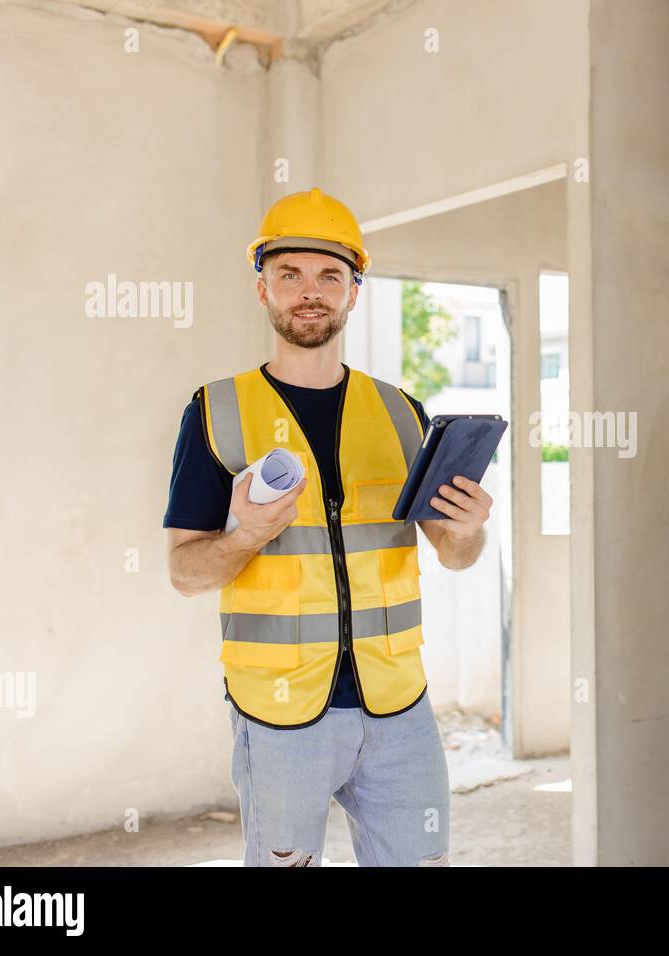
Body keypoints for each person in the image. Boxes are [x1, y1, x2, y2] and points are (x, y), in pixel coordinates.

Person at [163, 186, 493, 866]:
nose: (309, 292)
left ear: (353, 293)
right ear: (263, 290)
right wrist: (248, 534)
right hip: (280, 712)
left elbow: (455, 554)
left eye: (329, 276)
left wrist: (468, 528)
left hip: (399, 704)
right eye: (290, 274)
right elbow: (184, 573)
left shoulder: (403, 413)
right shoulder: (217, 412)